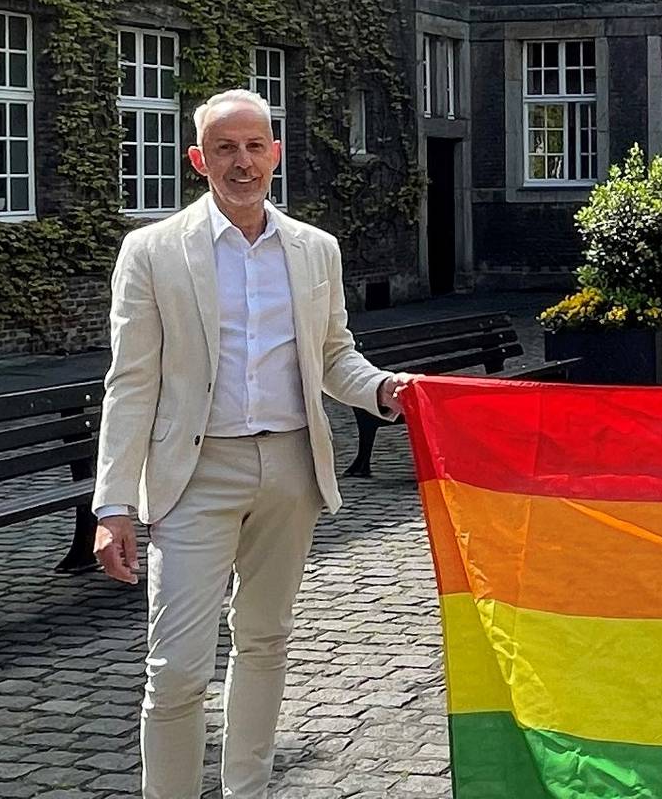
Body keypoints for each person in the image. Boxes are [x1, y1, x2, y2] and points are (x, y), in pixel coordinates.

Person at [90, 88, 411, 799]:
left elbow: (333, 357)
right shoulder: (153, 252)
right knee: (176, 666)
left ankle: (248, 791)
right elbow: (131, 383)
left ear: (276, 153)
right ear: (199, 159)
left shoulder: (313, 250)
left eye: (255, 145)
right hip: (195, 474)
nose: (243, 162)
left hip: (292, 467)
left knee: (265, 643)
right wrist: (113, 505)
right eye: (226, 148)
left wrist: (384, 390)